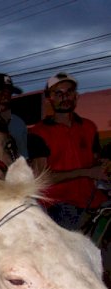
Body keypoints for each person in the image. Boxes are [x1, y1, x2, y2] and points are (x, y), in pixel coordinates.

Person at [28, 72, 109, 230]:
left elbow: (95, 162)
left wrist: (103, 167)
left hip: (92, 199)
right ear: (49, 98)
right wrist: (86, 172)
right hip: (58, 204)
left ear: (76, 96)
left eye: (69, 92)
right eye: (58, 93)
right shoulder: (37, 133)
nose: (65, 98)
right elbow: (43, 178)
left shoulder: (89, 127)